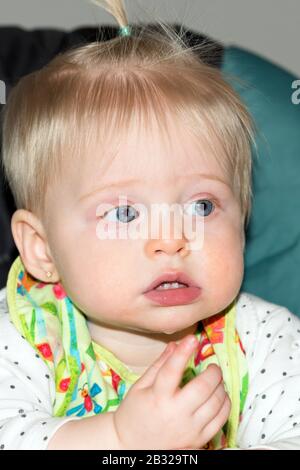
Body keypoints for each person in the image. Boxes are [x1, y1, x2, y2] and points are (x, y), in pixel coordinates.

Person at [0, 0, 300, 451]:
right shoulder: (21, 338)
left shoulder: (267, 339)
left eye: (202, 206)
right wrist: (121, 438)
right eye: (123, 213)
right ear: (42, 250)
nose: (172, 239)